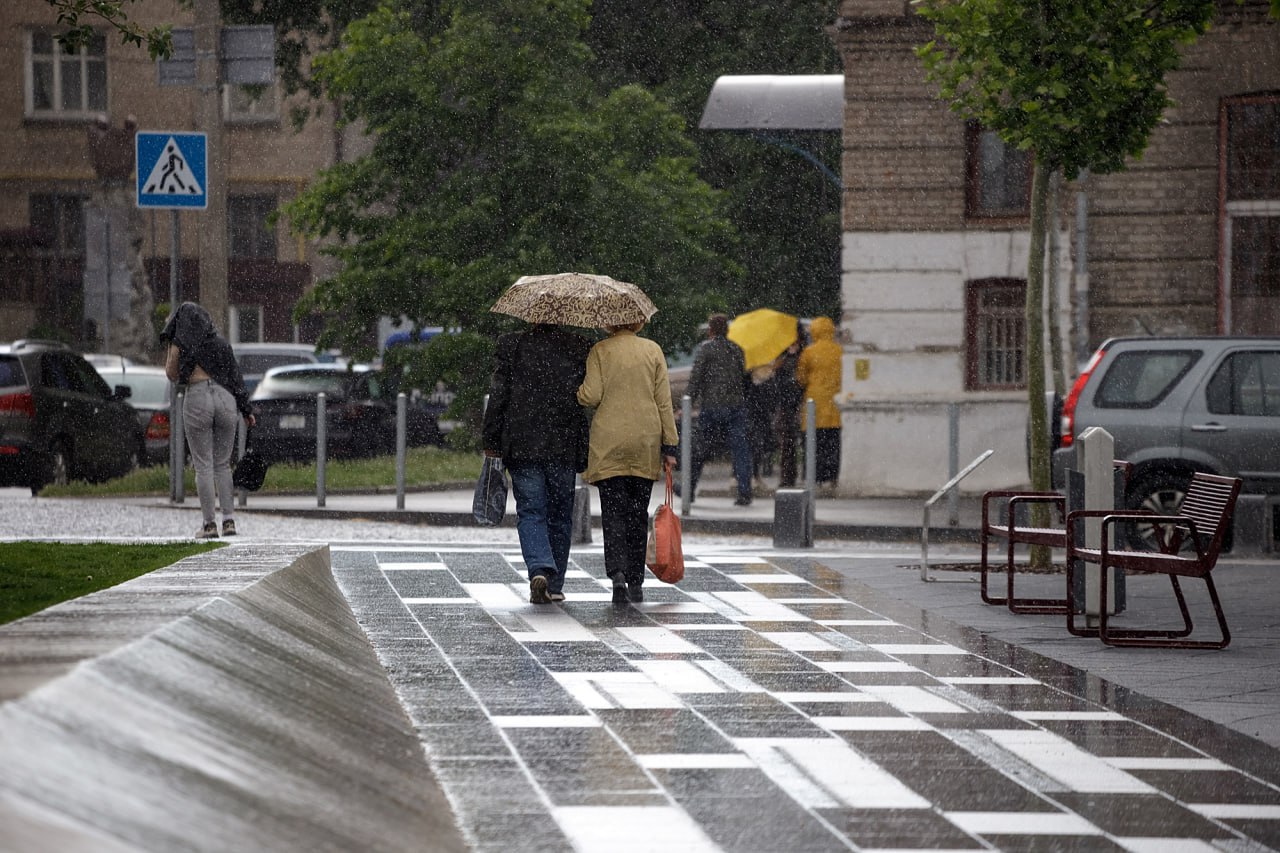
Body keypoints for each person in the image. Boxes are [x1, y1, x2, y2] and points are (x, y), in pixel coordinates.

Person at [482, 323, 592, 604]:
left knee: (531, 511)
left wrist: (491, 441)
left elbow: (498, 397)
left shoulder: (512, 346)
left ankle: (539, 568)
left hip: (522, 443)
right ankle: (555, 585)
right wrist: (583, 448)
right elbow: (582, 404)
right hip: (563, 444)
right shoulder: (578, 347)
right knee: (560, 513)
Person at [577, 321, 679, 606]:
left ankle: (618, 575)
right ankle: (636, 579)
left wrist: (577, 392)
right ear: (639, 322)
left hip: (609, 441)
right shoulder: (652, 350)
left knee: (613, 513)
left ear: (610, 322)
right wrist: (670, 444)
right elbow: (663, 401)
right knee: (637, 512)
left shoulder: (600, 350)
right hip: (644, 440)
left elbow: (592, 395)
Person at [160, 302, 255, 538]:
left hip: (198, 396)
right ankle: (229, 521)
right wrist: (246, 410)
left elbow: (172, 375)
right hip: (226, 398)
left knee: (203, 464)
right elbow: (235, 376)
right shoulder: (221, 343)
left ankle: (209, 524)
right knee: (223, 464)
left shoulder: (182, 344)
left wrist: (174, 345)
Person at [685, 313, 753, 506]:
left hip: (712, 407)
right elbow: (746, 379)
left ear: (710, 330)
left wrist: (687, 401)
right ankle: (744, 492)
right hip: (735, 407)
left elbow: (695, 379)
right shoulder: (737, 349)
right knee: (740, 450)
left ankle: (689, 490)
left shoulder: (706, 349)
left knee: (698, 449)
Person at [796, 316, 843, 493]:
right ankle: (831, 478)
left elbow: (801, 378)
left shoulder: (809, 352)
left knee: (813, 443)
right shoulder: (840, 351)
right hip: (834, 403)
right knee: (833, 442)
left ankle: (814, 478)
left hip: (813, 404)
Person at [772, 324, 807, 489]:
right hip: (786, 404)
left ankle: (797, 475)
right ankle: (787, 476)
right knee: (786, 443)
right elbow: (778, 382)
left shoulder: (803, 356)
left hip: (800, 404)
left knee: (799, 441)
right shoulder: (782, 358)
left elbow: (802, 379)